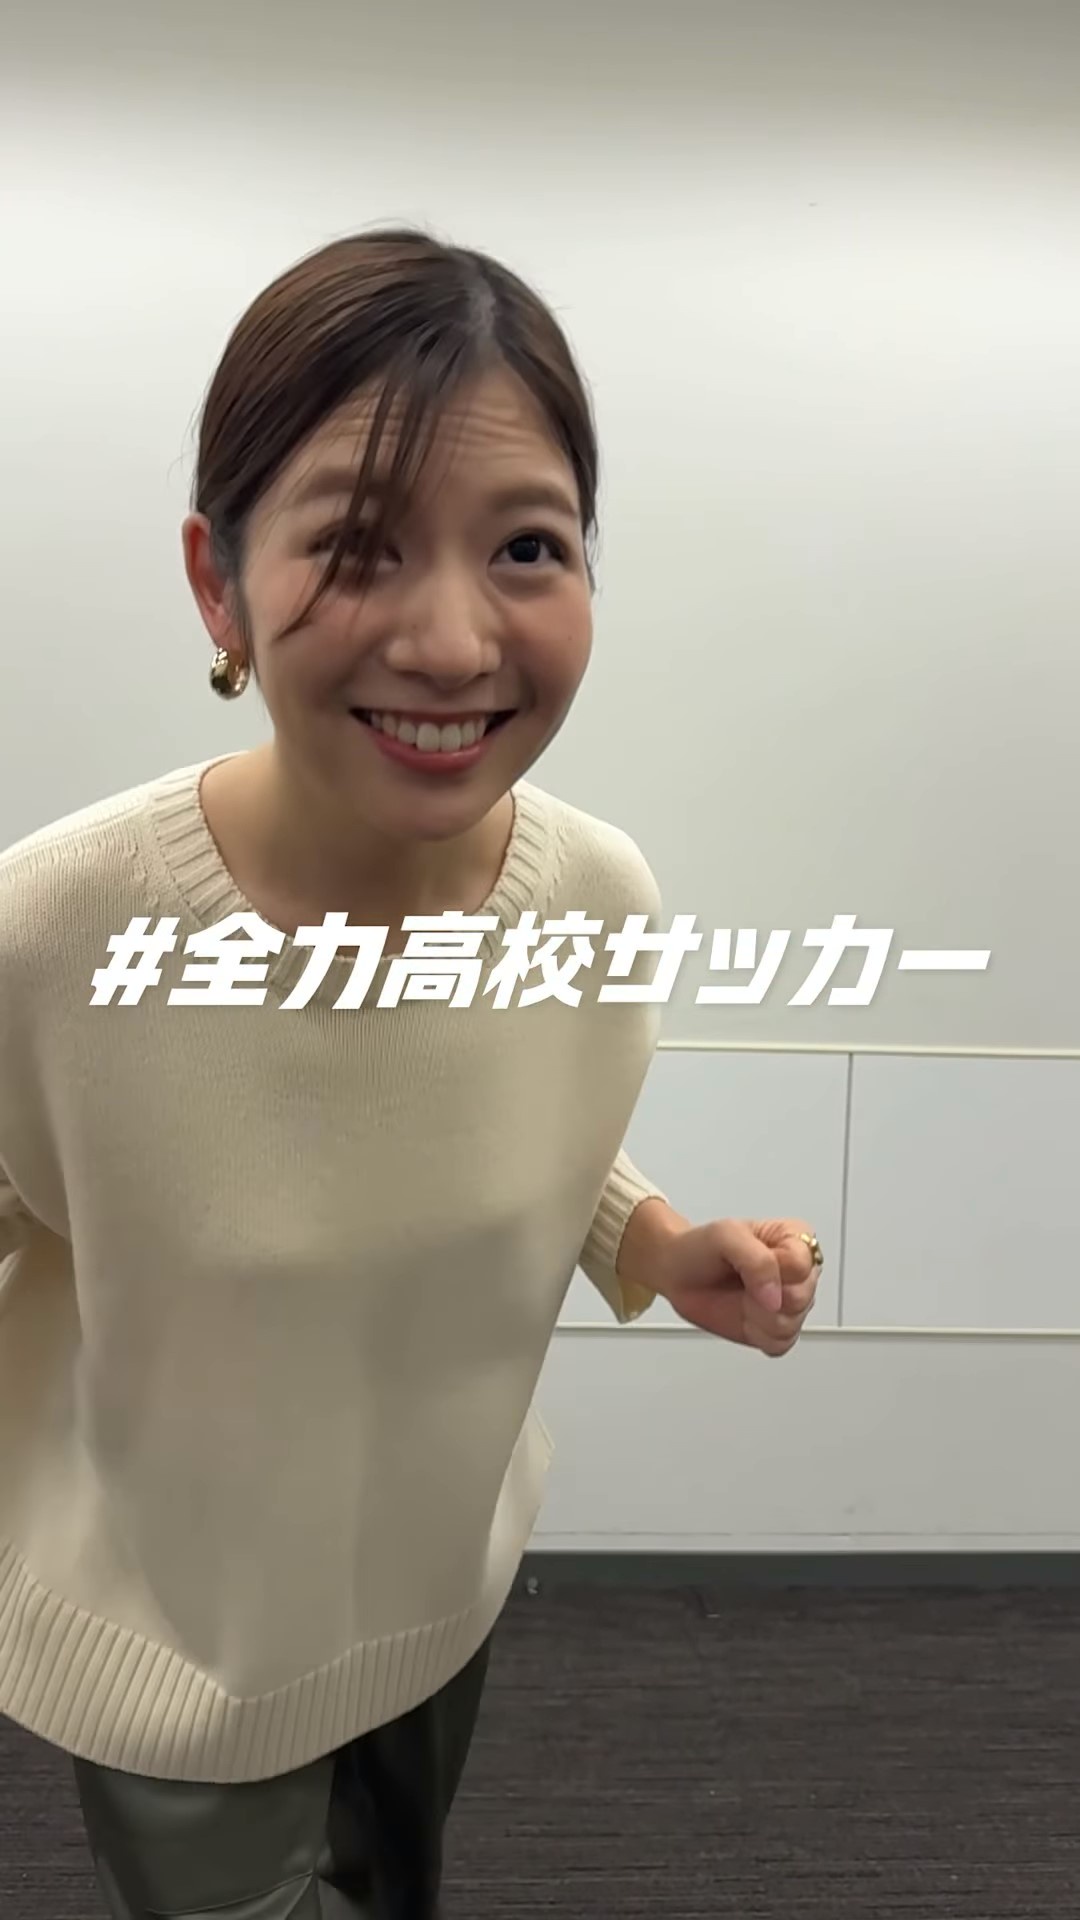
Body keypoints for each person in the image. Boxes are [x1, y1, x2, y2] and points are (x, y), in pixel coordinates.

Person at [0, 228, 823, 1918]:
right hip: (180, 1642)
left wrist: (658, 1244)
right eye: (357, 547)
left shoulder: (598, 898)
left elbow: (503, 1127)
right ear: (219, 585)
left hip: (440, 1584)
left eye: (527, 546)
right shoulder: (62, 929)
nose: (454, 644)